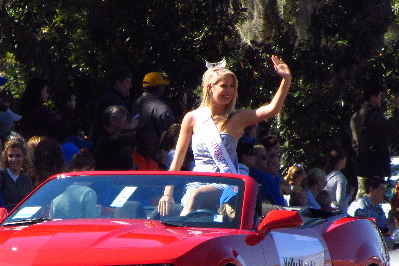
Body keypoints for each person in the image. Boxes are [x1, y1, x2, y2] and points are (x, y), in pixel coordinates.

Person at [160, 56, 291, 214]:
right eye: (224, 86)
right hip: (197, 182)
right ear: (210, 88)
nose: (229, 90)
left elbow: (272, 109)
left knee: (196, 197)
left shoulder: (237, 118)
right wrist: (167, 193)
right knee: (192, 197)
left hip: (226, 183)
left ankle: (181, 231)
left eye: (232, 86)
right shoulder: (193, 117)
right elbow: (178, 160)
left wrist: (286, 79)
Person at [350, 82, 399, 193]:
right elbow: (391, 127)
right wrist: (397, 109)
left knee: (363, 192)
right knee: (374, 194)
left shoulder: (355, 117)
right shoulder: (374, 116)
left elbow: (355, 143)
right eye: (379, 96)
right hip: (374, 166)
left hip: (362, 165)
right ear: (373, 97)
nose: (380, 99)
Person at [89, 67, 132, 145]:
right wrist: (131, 126)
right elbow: (120, 125)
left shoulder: (115, 97)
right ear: (118, 83)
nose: (130, 86)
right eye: (127, 82)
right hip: (107, 146)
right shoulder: (113, 99)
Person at [131, 72, 176, 143]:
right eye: (162, 85)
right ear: (158, 87)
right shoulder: (162, 109)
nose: (163, 87)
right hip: (156, 151)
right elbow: (170, 137)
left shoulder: (136, 104)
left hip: (137, 151)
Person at [0, 137, 34, 211]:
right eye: (10, 156)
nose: (14, 159)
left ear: (24, 157)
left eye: (18, 156)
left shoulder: (26, 179)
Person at [324, 148, 350, 212]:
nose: (346, 162)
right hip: (339, 213)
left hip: (329, 210)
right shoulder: (340, 178)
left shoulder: (328, 174)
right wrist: (350, 194)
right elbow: (340, 201)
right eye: (345, 160)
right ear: (341, 160)